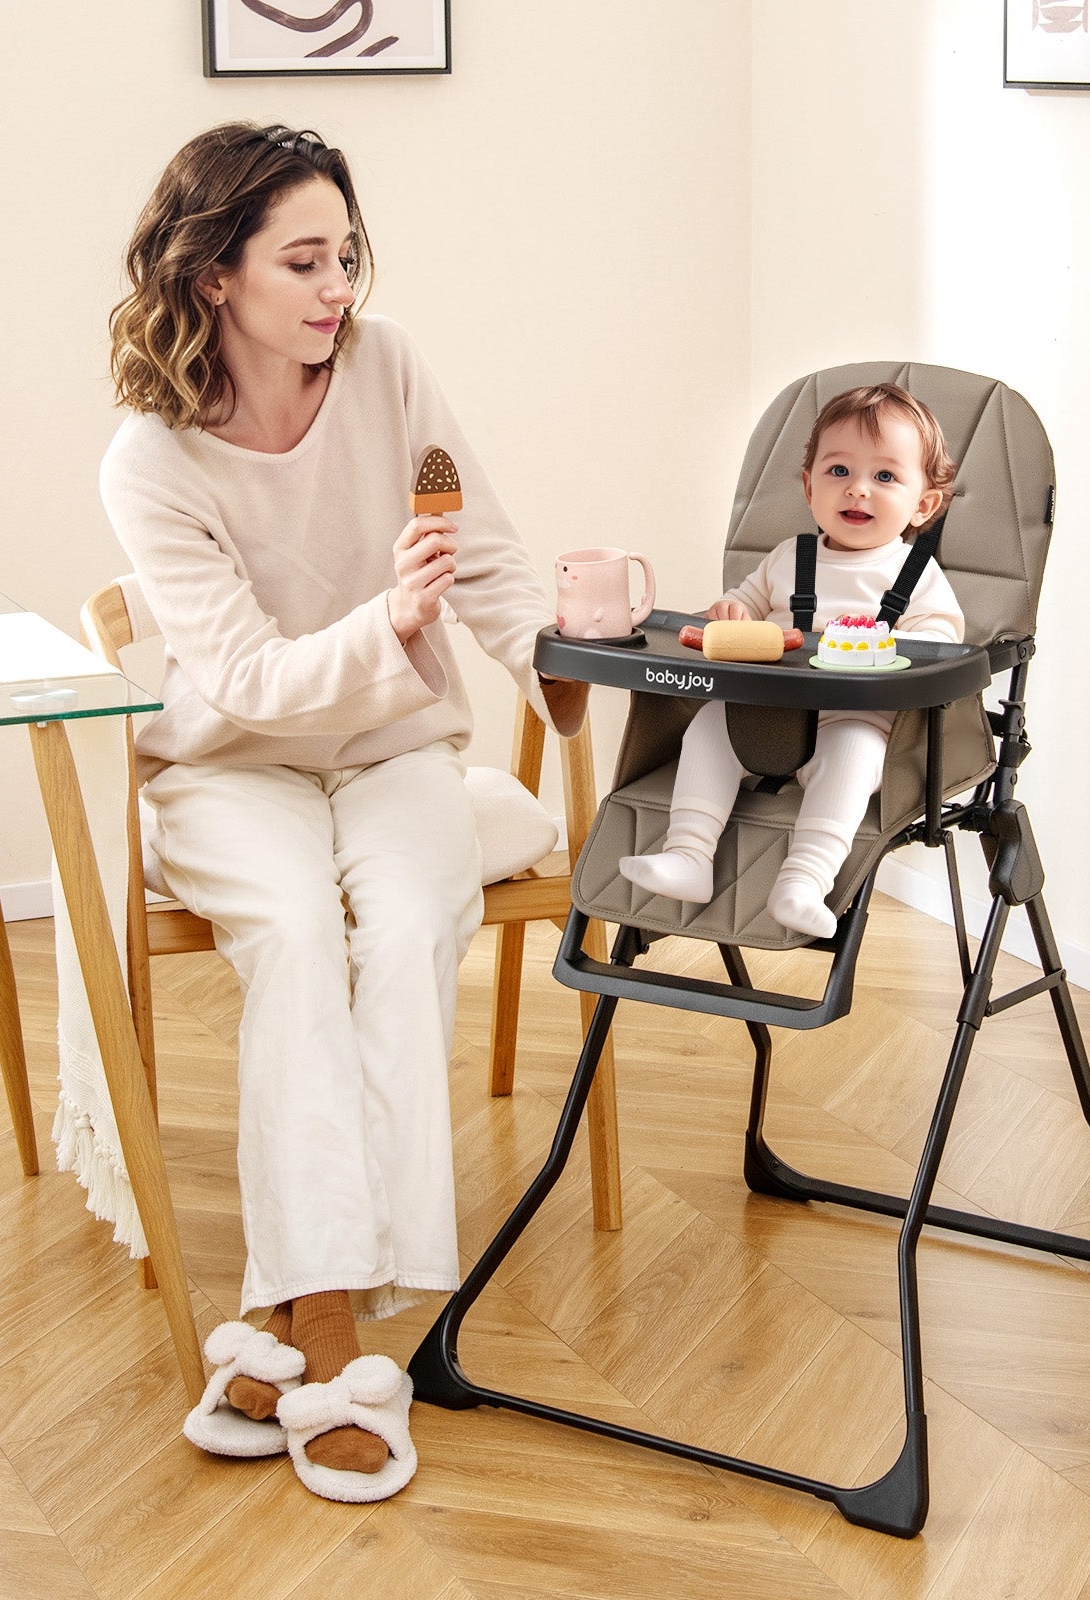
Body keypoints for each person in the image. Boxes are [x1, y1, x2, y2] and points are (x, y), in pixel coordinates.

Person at [100, 122, 584, 1498]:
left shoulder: (389, 368)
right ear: (212, 277)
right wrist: (395, 617)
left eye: (346, 255)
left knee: (417, 912)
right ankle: (334, 1327)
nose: (336, 290)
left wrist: (580, 656)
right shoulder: (150, 459)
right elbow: (247, 679)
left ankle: (297, 1320)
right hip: (231, 761)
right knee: (304, 938)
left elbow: (481, 556)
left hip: (387, 748)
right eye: (302, 261)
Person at [619, 384, 963, 939]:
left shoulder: (915, 574)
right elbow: (742, 610)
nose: (857, 489)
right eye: (837, 471)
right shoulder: (787, 558)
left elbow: (942, 645)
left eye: (884, 477)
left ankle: (803, 880)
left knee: (853, 754)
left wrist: (902, 645)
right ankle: (688, 856)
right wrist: (730, 611)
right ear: (809, 487)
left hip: (854, 722)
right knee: (707, 727)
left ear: (923, 505)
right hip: (764, 718)